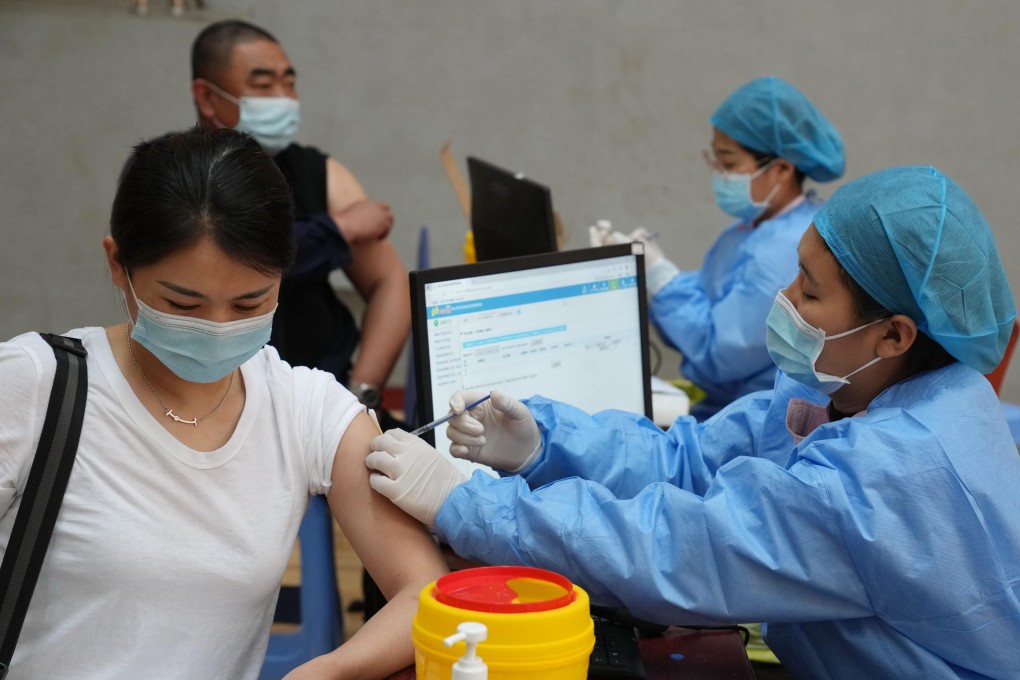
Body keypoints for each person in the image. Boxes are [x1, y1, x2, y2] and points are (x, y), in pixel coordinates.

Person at [367, 165, 1020, 679]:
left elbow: (676, 551)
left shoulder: (890, 474)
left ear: (894, 334)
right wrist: (547, 443)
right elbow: (690, 460)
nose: (786, 299)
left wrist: (470, 505)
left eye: (812, 292)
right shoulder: (856, 389)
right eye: (797, 273)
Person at [0, 128, 447, 679]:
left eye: (248, 302)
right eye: (182, 303)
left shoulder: (304, 408)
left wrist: (330, 670)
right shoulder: (35, 387)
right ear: (118, 266)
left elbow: (426, 593)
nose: (216, 328)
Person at [190, 19, 408, 424]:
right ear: (207, 97)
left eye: (289, 84)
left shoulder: (316, 172)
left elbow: (390, 281)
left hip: (327, 403)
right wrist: (336, 231)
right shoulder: (173, 175)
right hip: (217, 410)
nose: (283, 98)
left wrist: (359, 397)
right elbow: (221, 262)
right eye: (263, 85)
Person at [594, 76, 845, 419]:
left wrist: (661, 278)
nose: (718, 173)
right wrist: (642, 280)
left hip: (753, 420)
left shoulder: (788, 246)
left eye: (728, 164)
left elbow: (717, 354)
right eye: (715, 160)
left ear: (782, 169)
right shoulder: (746, 231)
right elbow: (705, 307)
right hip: (724, 410)